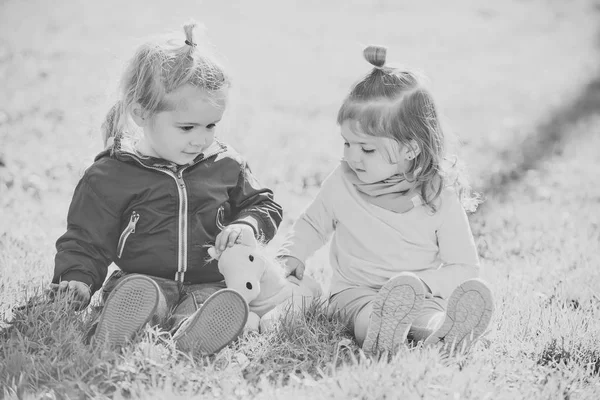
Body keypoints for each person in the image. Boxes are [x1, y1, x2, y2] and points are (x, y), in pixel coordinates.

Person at [50, 21, 283, 355]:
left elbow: (263, 204)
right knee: (141, 295)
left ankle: (194, 333)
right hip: (142, 280)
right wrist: (77, 279)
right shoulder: (110, 175)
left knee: (214, 302)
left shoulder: (225, 164)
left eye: (211, 125)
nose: (201, 138)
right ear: (141, 114)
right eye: (187, 127)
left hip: (208, 280)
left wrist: (246, 224)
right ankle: (124, 325)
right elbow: (85, 239)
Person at [280, 45, 494, 355]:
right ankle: (382, 332)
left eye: (367, 149)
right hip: (356, 292)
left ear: (411, 148)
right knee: (368, 315)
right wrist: (293, 253)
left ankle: (443, 333)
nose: (351, 156)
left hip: (420, 295)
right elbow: (314, 223)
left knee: (428, 316)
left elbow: (464, 267)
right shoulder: (343, 182)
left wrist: (422, 285)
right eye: (347, 143)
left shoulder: (438, 197)